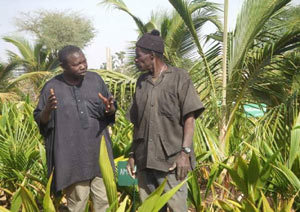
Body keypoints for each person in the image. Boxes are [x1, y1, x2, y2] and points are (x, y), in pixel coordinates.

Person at [126, 30, 205, 212]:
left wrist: (184, 153)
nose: (135, 60)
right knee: (150, 209)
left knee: (178, 208)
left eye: (138, 57)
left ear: (152, 55)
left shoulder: (179, 78)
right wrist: (132, 154)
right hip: (145, 160)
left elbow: (189, 119)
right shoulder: (141, 82)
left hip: (171, 162)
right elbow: (137, 123)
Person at [34, 45, 116, 212]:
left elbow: (109, 111)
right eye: (76, 64)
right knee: (77, 204)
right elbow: (41, 121)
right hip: (73, 161)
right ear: (63, 66)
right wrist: (48, 109)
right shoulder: (52, 87)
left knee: (104, 203)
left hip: (99, 157)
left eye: (84, 61)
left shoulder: (95, 80)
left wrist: (110, 108)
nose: (83, 66)